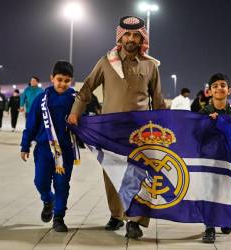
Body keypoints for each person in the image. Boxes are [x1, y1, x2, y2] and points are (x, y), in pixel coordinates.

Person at [68, 16, 167, 239]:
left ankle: (135, 221)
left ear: (142, 37)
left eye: (136, 35)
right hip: (110, 130)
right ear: (120, 37)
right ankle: (116, 214)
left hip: (140, 132)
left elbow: (158, 101)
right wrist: (75, 112)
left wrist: (165, 127)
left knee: (139, 174)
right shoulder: (106, 62)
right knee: (112, 173)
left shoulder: (150, 65)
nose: (131, 39)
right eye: (127, 35)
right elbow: (86, 89)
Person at [20, 61, 77, 232]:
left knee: (62, 184)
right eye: (59, 79)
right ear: (52, 78)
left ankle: (59, 217)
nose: (62, 84)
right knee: (40, 181)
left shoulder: (75, 99)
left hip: (65, 151)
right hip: (44, 149)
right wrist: (25, 146)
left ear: (71, 81)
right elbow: (31, 125)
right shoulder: (41, 99)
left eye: (67, 81)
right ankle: (48, 200)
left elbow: (86, 121)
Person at [200, 73, 231, 244]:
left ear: (229, 90)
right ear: (209, 91)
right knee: (210, 192)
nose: (219, 88)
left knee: (226, 191)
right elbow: (195, 135)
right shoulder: (203, 113)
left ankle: (225, 219)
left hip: (228, 161)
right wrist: (206, 123)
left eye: (223, 85)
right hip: (209, 161)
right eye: (215, 86)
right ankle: (209, 227)